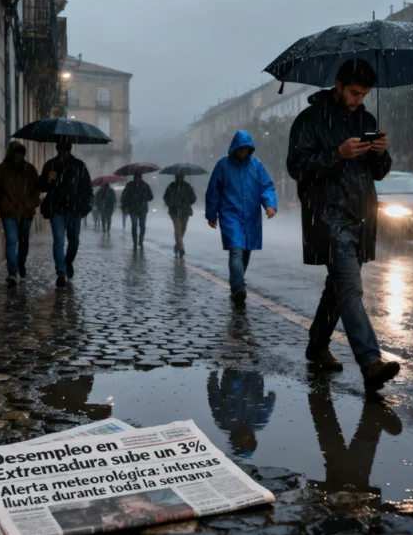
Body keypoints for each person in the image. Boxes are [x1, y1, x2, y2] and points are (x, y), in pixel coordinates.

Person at [287, 58, 400, 394]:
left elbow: (378, 172)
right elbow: (297, 167)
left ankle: (317, 345)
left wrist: (381, 153)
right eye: (354, 92)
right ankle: (370, 362)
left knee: (337, 287)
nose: (359, 100)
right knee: (350, 286)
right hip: (327, 214)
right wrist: (336, 153)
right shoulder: (309, 120)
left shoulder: (366, 119)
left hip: (361, 214)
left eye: (364, 94)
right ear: (337, 85)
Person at [206, 131, 278, 307]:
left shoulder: (257, 166)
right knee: (236, 249)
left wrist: (270, 205)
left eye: (246, 150)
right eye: (241, 150)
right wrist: (211, 214)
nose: (243, 153)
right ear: (235, 149)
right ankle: (239, 286)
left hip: (251, 214)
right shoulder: (223, 166)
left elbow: (266, 187)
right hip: (230, 214)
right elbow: (213, 190)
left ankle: (236, 281)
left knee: (246, 251)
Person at [38, 142, 93, 287]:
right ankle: (61, 272)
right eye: (61, 150)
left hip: (74, 210)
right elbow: (42, 187)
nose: (63, 153)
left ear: (69, 150)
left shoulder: (79, 166)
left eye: (65, 150)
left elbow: (87, 188)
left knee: (74, 241)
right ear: (57, 149)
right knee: (59, 240)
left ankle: (67, 262)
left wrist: (85, 206)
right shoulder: (50, 165)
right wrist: (48, 180)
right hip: (57, 209)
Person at [0, 141, 40, 288]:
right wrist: (3, 204)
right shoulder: (1, 170)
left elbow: (37, 190)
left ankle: (20, 264)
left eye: (21, 152)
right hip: (9, 212)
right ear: (11, 153)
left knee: (24, 241)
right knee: (11, 240)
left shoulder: (30, 170)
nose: (19, 155)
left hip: (26, 212)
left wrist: (31, 203)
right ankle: (12, 272)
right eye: (16, 152)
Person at [164, 173, 198, 257]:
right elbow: (166, 197)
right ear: (175, 177)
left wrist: (187, 201)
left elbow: (193, 198)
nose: (179, 178)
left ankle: (177, 246)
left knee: (183, 229)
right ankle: (181, 248)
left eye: (181, 176)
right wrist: (171, 203)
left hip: (185, 210)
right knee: (178, 228)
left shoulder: (187, 186)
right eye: (178, 176)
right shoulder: (171, 186)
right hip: (174, 211)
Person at [121, 173, 154, 249]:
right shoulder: (130, 185)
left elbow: (151, 197)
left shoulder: (145, 186)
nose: (138, 179)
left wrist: (144, 196)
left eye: (139, 177)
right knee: (134, 225)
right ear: (134, 178)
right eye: (136, 177)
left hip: (142, 209)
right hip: (133, 209)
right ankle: (135, 241)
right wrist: (125, 206)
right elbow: (124, 196)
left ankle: (141, 241)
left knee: (142, 226)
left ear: (141, 178)